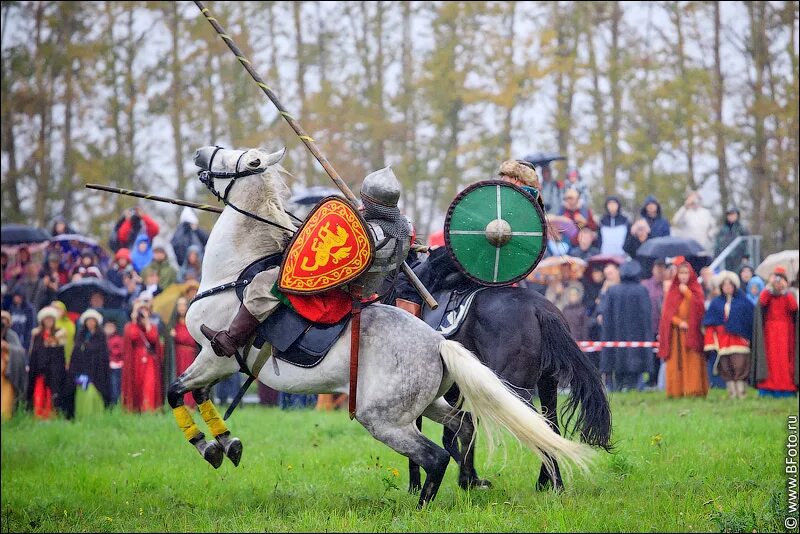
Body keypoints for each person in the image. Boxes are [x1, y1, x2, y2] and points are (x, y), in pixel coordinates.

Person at [201, 166, 413, 358]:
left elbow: (324, 259)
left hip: (334, 294)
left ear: (367, 200)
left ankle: (230, 340)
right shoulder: (405, 230)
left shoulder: (365, 233)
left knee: (266, 281)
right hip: (369, 295)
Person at [657, 257, 708, 398]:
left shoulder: (696, 290)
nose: (683, 276)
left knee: (693, 361)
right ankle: (676, 390)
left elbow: (699, 308)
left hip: (693, 332)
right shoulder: (672, 291)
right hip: (676, 333)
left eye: (686, 273)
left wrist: (687, 292)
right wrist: (679, 322)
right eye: (681, 273)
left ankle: (693, 389)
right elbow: (667, 315)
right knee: (676, 362)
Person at [598, 260, 652, 392]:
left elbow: (605, 313)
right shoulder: (641, 290)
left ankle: (617, 386)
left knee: (617, 361)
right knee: (636, 362)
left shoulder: (612, 291)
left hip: (614, 335)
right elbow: (646, 313)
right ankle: (636, 386)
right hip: (637, 335)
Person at [702, 271, 754, 399]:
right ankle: (732, 392)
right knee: (725, 366)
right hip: (722, 341)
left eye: (729, 285)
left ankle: (741, 392)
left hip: (739, 341)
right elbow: (710, 321)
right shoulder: (716, 303)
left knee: (740, 364)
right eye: (724, 285)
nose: (727, 287)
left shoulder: (744, 302)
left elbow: (749, 320)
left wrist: (746, 335)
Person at [751, 266, 798, 397]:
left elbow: (793, 307)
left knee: (784, 361)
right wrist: (769, 287)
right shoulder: (768, 294)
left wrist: (785, 290)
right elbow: (761, 303)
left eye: (780, 279)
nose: (778, 282)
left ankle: (786, 388)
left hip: (786, 333)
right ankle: (768, 387)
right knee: (770, 360)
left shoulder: (789, 294)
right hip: (769, 333)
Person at [26, 306, 69, 419]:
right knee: (38, 393)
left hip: (54, 371)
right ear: (42, 321)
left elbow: (60, 355)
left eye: (51, 319)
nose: (49, 321)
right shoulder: (37, 335)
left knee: (52, 395)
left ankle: (51, 417)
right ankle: (38, 416)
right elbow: (33, 353)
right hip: (40, 370)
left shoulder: (59, 334)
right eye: (46, 319)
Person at [68, 309, 112, 418]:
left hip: (97, 373)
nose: (91, 323)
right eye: (88, 321)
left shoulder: (101, 337)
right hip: (82, 373)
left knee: (95, 394)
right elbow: (76, 354)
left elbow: (103, 357)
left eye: (93, 321)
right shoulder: (81, 336)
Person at [121, 299, 163, 412]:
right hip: (135, 359)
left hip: (149, 359)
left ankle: (149, 409)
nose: (142, 313)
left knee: (149, 383)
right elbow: (133, 336)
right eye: (140, 310)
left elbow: (153, 338)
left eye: (145, 310)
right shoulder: (130, 326)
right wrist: (135, 319)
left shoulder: (152, 326)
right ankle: (136, 408)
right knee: (136, 383)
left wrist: (147, 323)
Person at [641, 258, 667, 388]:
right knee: (650, 353)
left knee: (661, 353)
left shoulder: (668, 285)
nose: (660, 272)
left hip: (663, 325)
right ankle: (651, 378)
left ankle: (659, 379)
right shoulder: (646, 285)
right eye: (658, 269)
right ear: (653, 269)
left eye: (663, 269)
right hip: (649, 325)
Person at [169, 297, 198, 408]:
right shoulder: (173, 324)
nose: (181, 307)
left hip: (190, 356)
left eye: (183, 305)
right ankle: (179, 403)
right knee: (179, 378)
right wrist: (172, 336)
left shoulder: (191, 322)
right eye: (179, 305)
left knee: (190, 378)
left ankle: (191, 404)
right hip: (178, 356)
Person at [1, 310, 27, 420]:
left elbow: (20, 352)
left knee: (5, 402)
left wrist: (7, 347)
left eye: (5, 320)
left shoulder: (12, 335)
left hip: (7, 375)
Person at [714, 207, 749, 271]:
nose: (731, 216)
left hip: (738, 258)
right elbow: (717, 243)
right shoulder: (722, 229)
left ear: (737, 215)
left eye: (733, 214)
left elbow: (747, 243)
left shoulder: (742, 229)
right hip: (725, 259)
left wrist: (746, 256)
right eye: (729, 214)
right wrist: (716, 255)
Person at [4, 286, 36, 352]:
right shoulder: (9, 307)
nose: (17, 299)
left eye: (19, 297)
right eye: (15, 296)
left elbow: (30, 327)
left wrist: (26, 344)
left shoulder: (29, 309)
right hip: (10, 339)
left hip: (23, 339)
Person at [104, 320, 124, 405]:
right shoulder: (102, 339)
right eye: (107, 327)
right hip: (105, 366)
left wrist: (110, 350)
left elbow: (121, 352)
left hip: (116, 366)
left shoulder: (118, 339)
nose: (109, 329)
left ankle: (115, 404)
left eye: (111, 327)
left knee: (115, 387)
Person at [51, 301, 76, 368]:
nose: (56, 311)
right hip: (52, 355)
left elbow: (72, 339)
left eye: (58, 309)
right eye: (53, 308)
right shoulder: (48, 323)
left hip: (67, 354)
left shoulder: (70, 324)